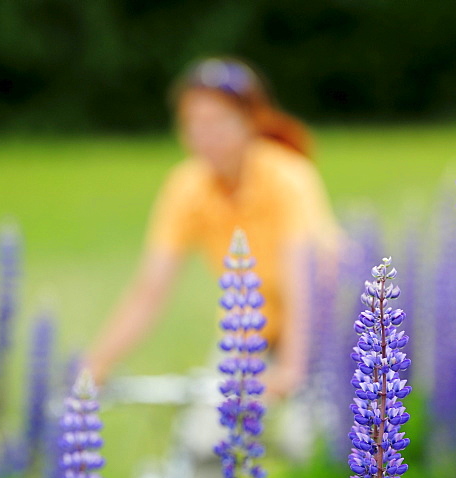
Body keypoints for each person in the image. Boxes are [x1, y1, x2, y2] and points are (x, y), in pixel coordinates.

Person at [84, 56, 343, 396]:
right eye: (194, 123)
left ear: (250, 122)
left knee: (303, 439)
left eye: (219, 122)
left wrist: (291, 371)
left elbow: (303, 285)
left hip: (325, 331)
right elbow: (149, 290)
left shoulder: (286, 177)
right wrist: (94, 366)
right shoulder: (186, 186)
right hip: (250, 329)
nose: (205, 136)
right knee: (206, 433)